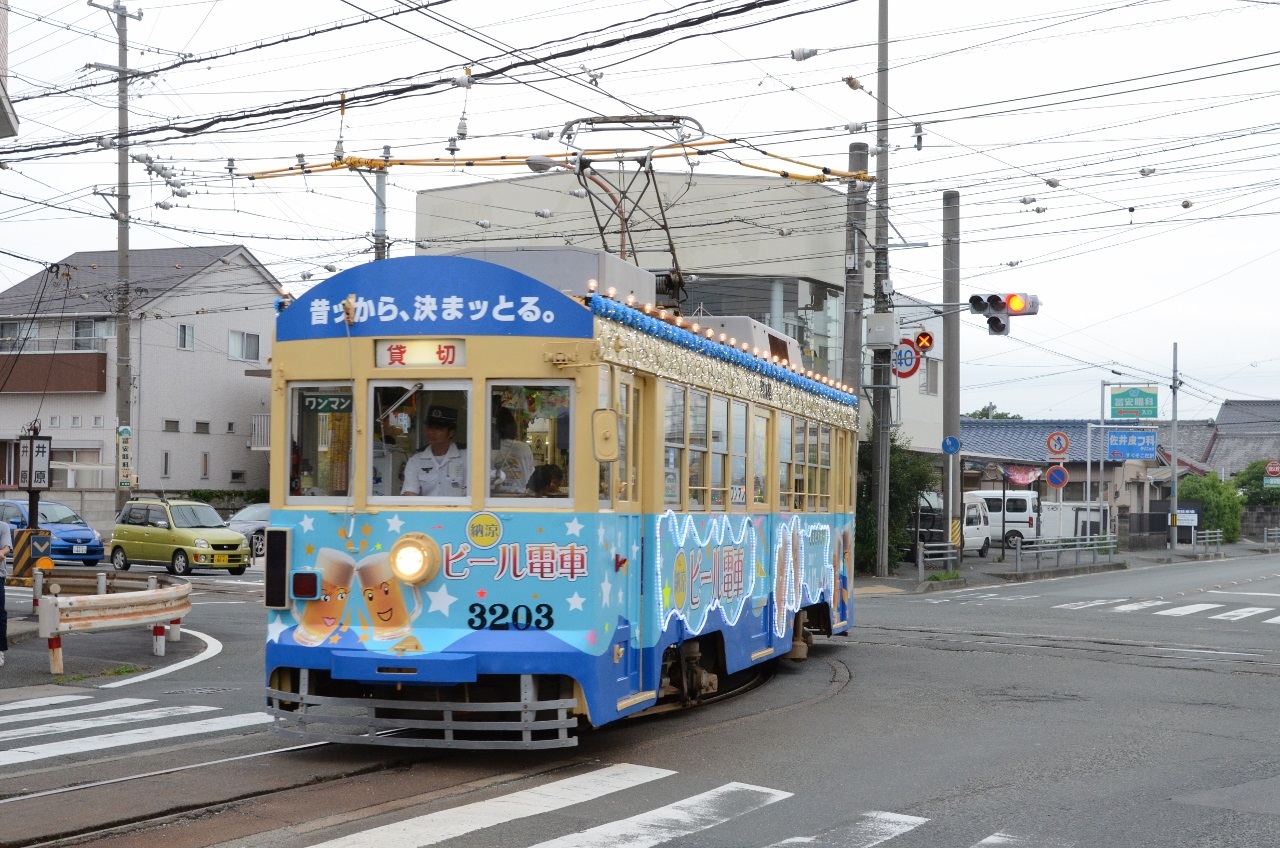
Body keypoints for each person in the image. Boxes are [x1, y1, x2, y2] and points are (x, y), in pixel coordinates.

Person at [401, 405, 467, 496]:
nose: (431, 432)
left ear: (451, 433)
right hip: (427, 510)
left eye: (438, 429)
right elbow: (410, 494)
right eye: (429, 428)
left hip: (460, 510)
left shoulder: (466, 457)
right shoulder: (416, 460)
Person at [491, 407, 534, 495]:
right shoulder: (524, 448)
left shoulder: (489, 448)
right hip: (519, 498)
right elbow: (530, 474)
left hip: (494, 498)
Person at [0, 518, 11, 667]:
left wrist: (2, 552)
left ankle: (0, 650)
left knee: (0, 613)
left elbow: (6, 548)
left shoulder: (3, 527)